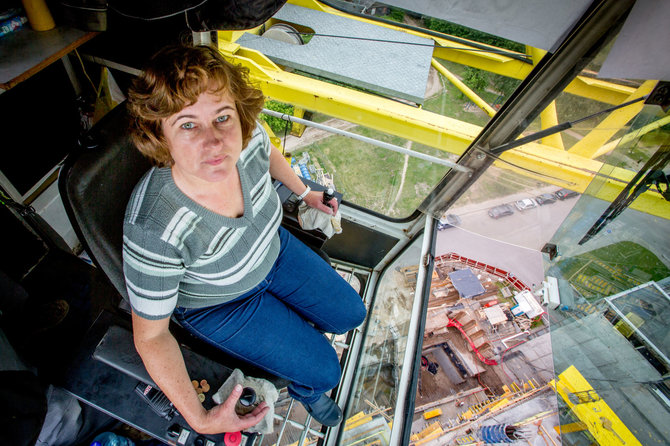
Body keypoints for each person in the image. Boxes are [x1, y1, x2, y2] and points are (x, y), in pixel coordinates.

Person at [123, 44, 367, 435]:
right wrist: (200, 420)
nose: (216, 143)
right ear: (160, 136)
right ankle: (307, 386)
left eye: (223, 117)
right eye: (188, 125)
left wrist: (305, 193)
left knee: (353, 314)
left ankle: (294, 337)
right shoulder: (154, 225)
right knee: (325, 370)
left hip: (273, 250)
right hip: (222, 302)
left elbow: (265, 150)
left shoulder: (245, 138)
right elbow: (151, 336)